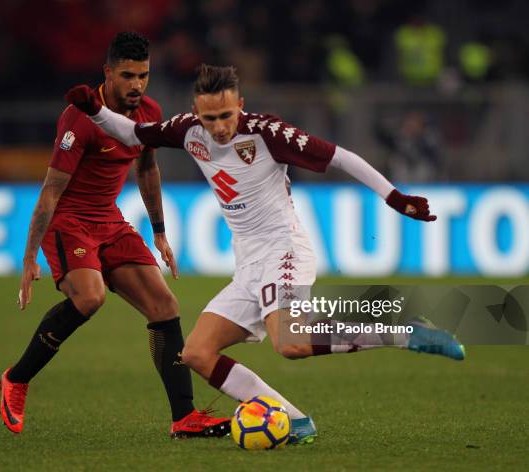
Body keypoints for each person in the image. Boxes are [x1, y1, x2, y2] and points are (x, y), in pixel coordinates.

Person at [65, 64, 465, 445]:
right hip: (249, 262)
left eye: (226, 115)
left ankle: (403, 331)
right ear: (195, 113)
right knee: (197, 353)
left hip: (284, 248)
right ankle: (293, 420)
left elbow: (340, 156)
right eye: (210, 118)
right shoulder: (187, 132)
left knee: (290, 342)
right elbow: (134, 133)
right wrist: (95, 110)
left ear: (240, 106)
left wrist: (393, 196)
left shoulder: (267, 132)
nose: (219, 127)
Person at [0, 34, 229, 438]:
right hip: (69, 221)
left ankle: (184, 417)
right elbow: (51, 190)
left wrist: (159, 233)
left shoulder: (148, 113)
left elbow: (146, 170)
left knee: (164, 305)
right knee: (90, 297)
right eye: (127, 75)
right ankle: (16, 379)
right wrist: (28, 257)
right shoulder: (80, 117)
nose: (137, 85)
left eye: (143, 75)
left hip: (110, 220)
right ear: (108, 73)